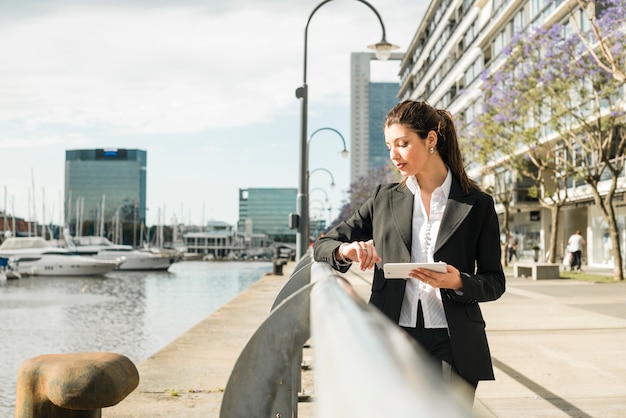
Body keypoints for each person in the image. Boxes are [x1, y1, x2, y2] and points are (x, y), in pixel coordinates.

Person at [314, 100, 506, 404]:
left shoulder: (477, 204)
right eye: (390, 145)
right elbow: (324, 244)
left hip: (455, 341)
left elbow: (495, 281)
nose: (394, 155)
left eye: (403, 144)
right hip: (394, 334)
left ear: (431, 139)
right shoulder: (383, 199)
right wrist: (347, 249)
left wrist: (458, 282)